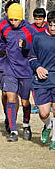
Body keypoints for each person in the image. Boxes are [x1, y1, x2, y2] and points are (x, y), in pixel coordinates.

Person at [0, 3, 37, 142]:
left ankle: (26, 125)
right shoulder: (4, 29)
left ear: (21, 18)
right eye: (11, 19)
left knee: (25, 101)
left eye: (16, 19)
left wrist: (27, 46)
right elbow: (1, 43)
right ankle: (13, 130)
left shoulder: (30, 30)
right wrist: (1, 50)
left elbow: (37, 47)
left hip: (26, 71)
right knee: (10, 98)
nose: (13, 22)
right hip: (10, 70)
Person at [28, 11, 55, 150]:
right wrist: (38, 67)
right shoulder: (38, 37)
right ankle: (48, 125)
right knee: (43, 112)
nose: (53, 28)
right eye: (50, 25)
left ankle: (54, 140)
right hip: (42, 80)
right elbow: (31, 57)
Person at [0, 1, 16, 133]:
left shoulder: (23, 26)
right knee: (5, 93)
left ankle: (12, 121)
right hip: (3, 64)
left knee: (14, 94)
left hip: (19, 66)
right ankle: (7, 115)